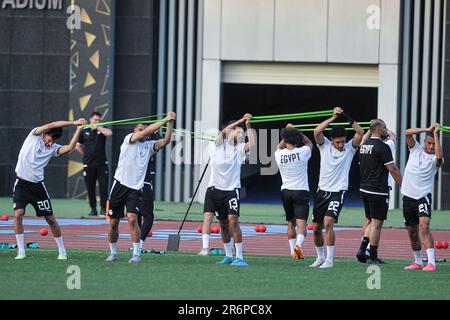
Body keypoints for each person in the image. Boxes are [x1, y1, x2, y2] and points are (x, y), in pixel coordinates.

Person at [106, 113, 176, 263]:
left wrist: (170, 123)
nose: (142, 132)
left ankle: (136, 254)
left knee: (132, 219)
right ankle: (113, 252)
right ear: (135, 130)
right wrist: (164, 120)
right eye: (140, 129)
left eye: (144, 129)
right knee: (114, 223)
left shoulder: (149, 146)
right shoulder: (129, 139)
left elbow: (166, 140)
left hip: (135, 188)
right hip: (119, 184)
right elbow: (146, 132)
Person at [13, 118, 87, 260]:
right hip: (21, 185)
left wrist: (78, 129)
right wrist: (74, 122)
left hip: (38, 187)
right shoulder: (34, 136)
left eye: (53, 140)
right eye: (50, 139)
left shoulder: (53, 148)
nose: (50, 142)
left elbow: (69, 148)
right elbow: (52, 125)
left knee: (51, 220)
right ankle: (21, 251)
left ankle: (62, 251)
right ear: (45, 134)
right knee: (18, 214)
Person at [310, 107, 364, 268]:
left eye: (342, 141)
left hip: (338, 192)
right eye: (337, 142)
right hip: (322, 192)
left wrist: (345, 116)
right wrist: (333, 117)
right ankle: (320, 258)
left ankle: (330, 260)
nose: (341, 145)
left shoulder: (350, 149)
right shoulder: (324, 146)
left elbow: (361, 132)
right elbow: (317, 131)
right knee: (316, 228)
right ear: (332, 139)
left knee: (328, 223)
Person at [199, 114, 254, 267]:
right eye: (237, 131)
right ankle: (228, 255)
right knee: (223, 224)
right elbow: (222, 134)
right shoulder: (216, 145)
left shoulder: (239, 149)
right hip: (216, 190)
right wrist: (240, 121)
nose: (240, 134)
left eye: (241, 132)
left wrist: (247, 125)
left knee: (233, 221)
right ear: (229, 131)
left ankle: (240, 256)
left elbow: (252, 143)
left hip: (231, 190)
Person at [356, 119, 402, 264]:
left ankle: (363, 249)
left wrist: (372, 127)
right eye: (384, 127)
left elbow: (366, 137)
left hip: (364, 188)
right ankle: (373, 255)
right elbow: (392, 169)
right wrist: (403, 185)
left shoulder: (363, 145)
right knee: (377, 223)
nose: (386, 130)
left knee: (369, 220)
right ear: (377, 129)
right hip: (378, 190)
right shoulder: (384, 147)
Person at [402, 124, 443, 272]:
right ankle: (418, 262)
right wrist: (428, 130)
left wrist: (436, 135)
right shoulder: (415, 149)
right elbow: (407, 132)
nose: (431, 147)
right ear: (424, 142)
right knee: (412, 232)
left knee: (424, 226)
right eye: (429, 143)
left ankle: (431, 263)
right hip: (407, 198)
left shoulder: (436, 160)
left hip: (422, 197)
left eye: (433, 144)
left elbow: (439, 157)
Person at [274, 124, 313, 261]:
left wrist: (288, 132)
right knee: (301, 224)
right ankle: (298, 245)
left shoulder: (279, 154)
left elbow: (279, 146)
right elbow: (309, 142)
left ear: (285, 139)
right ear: (297, 139)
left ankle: (292, 251)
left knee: (290, 223)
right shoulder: (303, 152)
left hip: (286, 192)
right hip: (301, 191)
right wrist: (296, 131)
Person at [76, 112, 112, 216]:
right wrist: (86, 155)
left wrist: (98, 127)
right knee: (90, 187)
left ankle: (103, 208)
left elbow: (109, 133)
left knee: (103, 186)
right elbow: (78, 146)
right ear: (90, 119)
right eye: (95, 120)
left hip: (101, 164)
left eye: (99, 120)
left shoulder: (102, 128)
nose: (97, 121)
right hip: (88, 164)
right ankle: (93, 209)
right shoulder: (84, 131)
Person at [136, 131, 163, 251]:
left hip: (135, 183)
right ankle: (138, 245)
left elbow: (161, 143)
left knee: (136, 214)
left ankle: (136, 245)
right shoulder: (136, 143)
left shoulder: (144, 143)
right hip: (142, 183)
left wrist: (156, 133)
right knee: (146, 216)